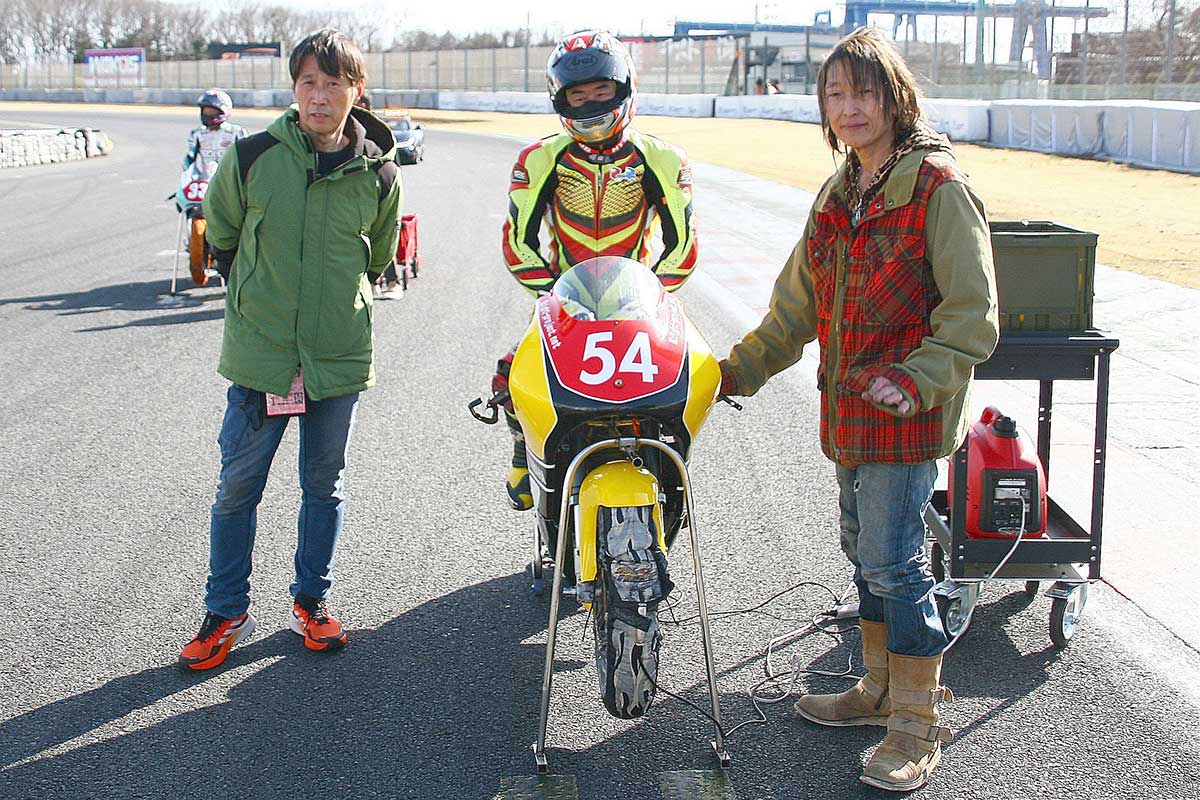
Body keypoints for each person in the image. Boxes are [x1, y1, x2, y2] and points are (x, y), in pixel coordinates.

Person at [719, 27, 998, 792]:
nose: (849, 108)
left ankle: (916, 725)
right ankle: (877, 690)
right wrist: (734, 371)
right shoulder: (840, 190)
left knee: (896, 564)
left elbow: (973, 317)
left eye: (864, 92)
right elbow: (795, 307)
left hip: (907, 419)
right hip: (848, 416)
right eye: (835, 94)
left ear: (894, 97)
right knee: (866, 552)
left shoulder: (938, 186)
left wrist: (916, 380)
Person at [178, 28, 403, 671]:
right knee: (237, 487)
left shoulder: (380, 173)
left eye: (334, 84)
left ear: (356, 92)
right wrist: (254, 294)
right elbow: (221, 230)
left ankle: (312, 600)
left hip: (336, 355)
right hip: (263, 356)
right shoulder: (252, 156)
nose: (320, 97)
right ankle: (225, 611)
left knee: (323, 486)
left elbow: (380, 255)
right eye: (309, 83)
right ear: (294, 89)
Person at [498, 29, 698, 510]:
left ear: (623, 87)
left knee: (686, 378)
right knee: (511, 373)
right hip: (563, 302)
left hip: (639, 304)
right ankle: (524, 450)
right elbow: (517, 242)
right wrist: (553, 297)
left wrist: (652, 296)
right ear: (560, 99)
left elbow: (684, 245)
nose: (590, 103)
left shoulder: (663, 159)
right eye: (578, 95)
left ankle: (671, 470)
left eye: (601, 90)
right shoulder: (538, 159)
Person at [182, 88, 247, 174]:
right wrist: (188, 176)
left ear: (224, 110)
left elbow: (246, 158)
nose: (207, 114)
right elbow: (190, 159)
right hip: (206, 179)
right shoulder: (197, 134)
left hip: (230, 177)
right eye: (205, 111)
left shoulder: (237, 132)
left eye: (211, 111)